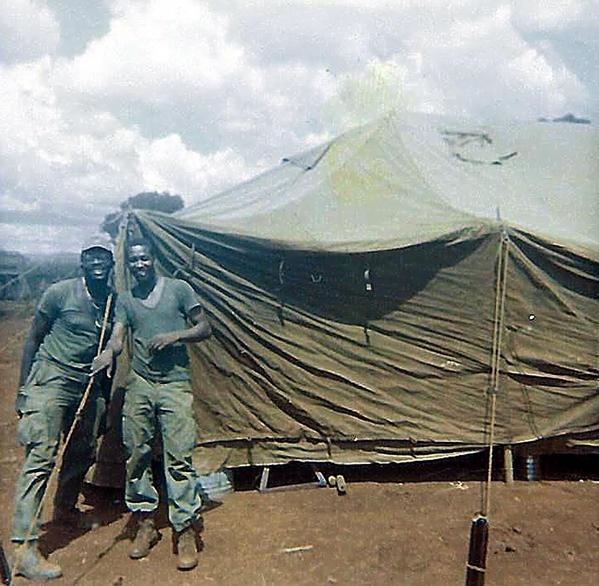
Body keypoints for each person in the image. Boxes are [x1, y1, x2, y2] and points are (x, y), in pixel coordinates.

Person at [92, 237, 212, 571]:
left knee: (179, 456)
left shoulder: (179, 289)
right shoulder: (126, 301)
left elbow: (205, 327)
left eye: (144, 258)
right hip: (141, 384)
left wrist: (175, 336)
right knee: (136, 452)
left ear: (153, 259)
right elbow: (118, 336)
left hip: (174, 385)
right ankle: (145, 521)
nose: (139, 264)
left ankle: (184, 528)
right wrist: (108, 353)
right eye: (133, 261)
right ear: (128, 265)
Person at [11, 234, 115, 580]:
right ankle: (24, 547)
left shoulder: (114, 301)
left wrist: (104, 393)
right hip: (51, 381)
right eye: (92, 257)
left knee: (80, 452)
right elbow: (34, 338)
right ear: (82, 262)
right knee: (41, 458)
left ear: (112, 263)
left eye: (104, 257)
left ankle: (66, 509)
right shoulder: (60, 293)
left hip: (86, 387)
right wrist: (24, 391)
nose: (98, 263)